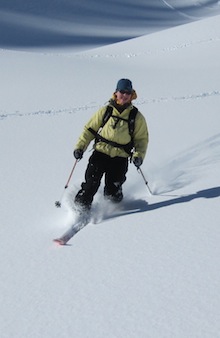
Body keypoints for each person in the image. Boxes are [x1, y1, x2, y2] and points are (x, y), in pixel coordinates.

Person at [73, 78, 149, 213]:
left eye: (128, 93)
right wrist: (80, 147)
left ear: (132, 95)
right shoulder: (106, 111)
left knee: (113, 191)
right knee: (91, 183)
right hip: (100, 153)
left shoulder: (136, 117)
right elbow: (89, 129)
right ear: (116, 93)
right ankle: (79, 209)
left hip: (120, 157)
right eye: (122, 92)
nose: (124, 95)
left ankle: (112, 211)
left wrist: (138, 155)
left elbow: (141, 139)